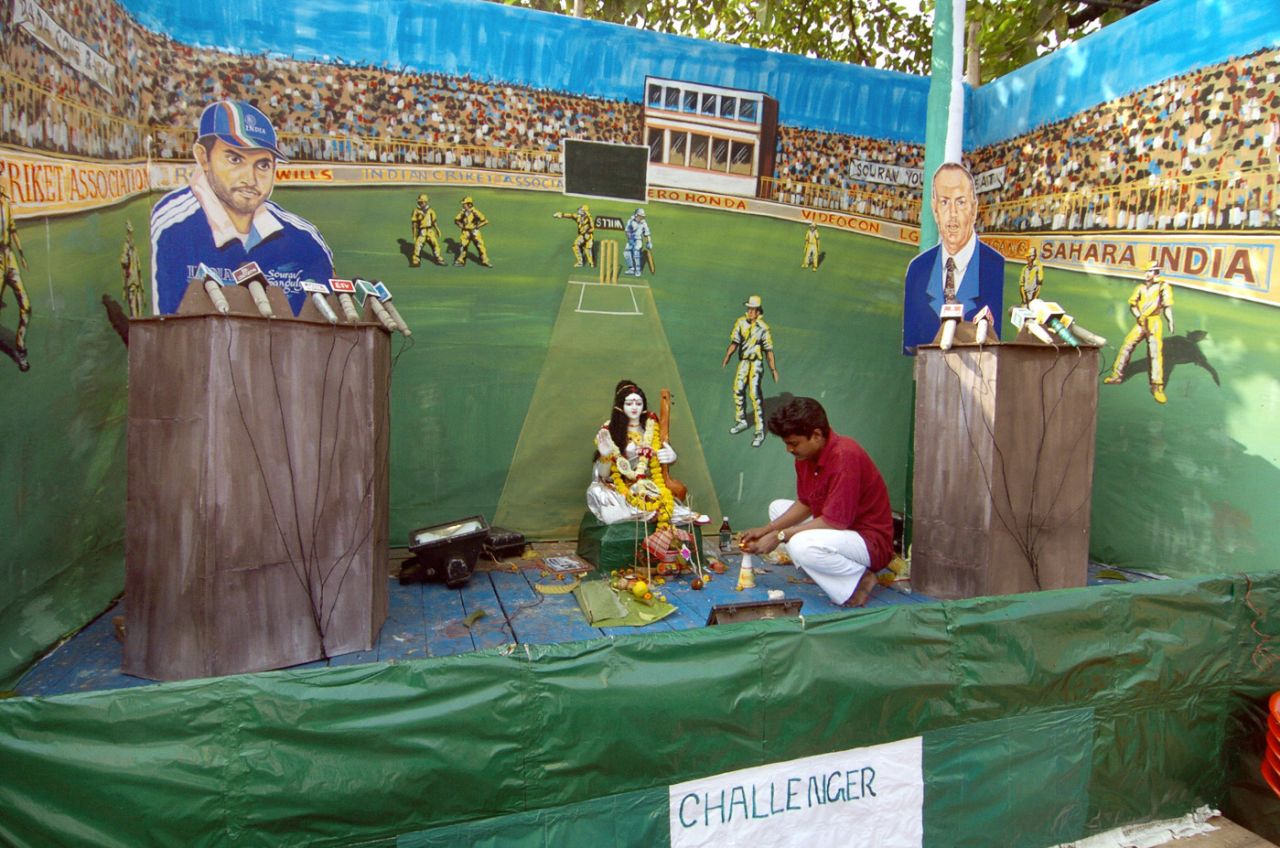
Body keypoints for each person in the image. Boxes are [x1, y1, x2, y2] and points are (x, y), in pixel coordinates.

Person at [149, 100, 334, 316]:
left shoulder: (305, 239)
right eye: (235, 159)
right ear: (203, 157)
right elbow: (168, 334)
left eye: (263, 165)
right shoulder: (172, 228)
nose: (250, 179)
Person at [740, 397, 893, 608]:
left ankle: (860, 579)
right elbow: (806, 503)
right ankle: (826, 568)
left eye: (793, 443)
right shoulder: (805, 457)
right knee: (777, 509)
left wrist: (779, 535)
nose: (789, 450)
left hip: (869, 541)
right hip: (842, 529)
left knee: (801, 544)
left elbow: (833, 522)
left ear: (817, 435)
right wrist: (766, 530)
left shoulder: (845, 456)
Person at [902, 163, 1004, 353]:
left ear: (974, 209)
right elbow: (913, 348)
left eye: (961, 202)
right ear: (935, 210)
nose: (952, 213)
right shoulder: (917, 269)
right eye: (944, 202)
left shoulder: (996, 267)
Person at [587, 380, 706, 527]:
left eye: (638, 403)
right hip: (618, 487)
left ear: (644, 405)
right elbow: (604, 476)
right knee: (602, 498)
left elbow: (660, 459)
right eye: (629, 403)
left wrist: (671, 457)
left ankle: (666, 513)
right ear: (620, 406)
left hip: (645, 484)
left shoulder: (651, 429)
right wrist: (605, 456)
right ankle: (662, 515)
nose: (634, 407)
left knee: (659, 497)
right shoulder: (610, 431)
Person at [1103, 261, 1176, 404]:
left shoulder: (1163, 286)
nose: (1147, 274)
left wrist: (1170, 321)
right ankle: (1116, 375)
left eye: (1150, 271)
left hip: (1154, 322)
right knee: (1127, 345)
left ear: (1156, 272)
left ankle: (1157, 387)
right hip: (1140, 322)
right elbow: (1133, 305)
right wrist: (1138, 316)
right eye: (1146, 271)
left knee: (1155, 354)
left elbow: (1167, 306)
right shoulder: (1140, 287)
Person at [722, 295, 779, 448]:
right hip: (744, 361)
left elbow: (768, 350)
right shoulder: (741, 323)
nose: (749, 311)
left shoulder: (763, 328)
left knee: (754, 394)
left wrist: (773, 368)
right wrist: (728, 355)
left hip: (756, 362)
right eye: (748, 308)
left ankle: (759, 431)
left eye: (752, 309)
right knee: (738, 388)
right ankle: (741, 420)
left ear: (758, 311)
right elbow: (735, 342)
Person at [0, 179, 31, 371]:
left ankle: (20, 344)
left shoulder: (5, 201)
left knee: (26, 307)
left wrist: (21, 255)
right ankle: (17, 353)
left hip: (9, 256)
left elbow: (12, 229)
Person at [453, 196, 491, 267]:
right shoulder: (463, 212)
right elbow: (456, 220)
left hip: (474, 231)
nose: (463, 205)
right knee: (463, 246)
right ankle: (460, 261)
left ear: (469, 204)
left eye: (464, 204)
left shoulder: (475, 212)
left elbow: (485, 221)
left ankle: (485, 261)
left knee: (480, 246)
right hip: (465, 232)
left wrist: (477, 226)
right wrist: (461, 225)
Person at [410, 193, 442, 267]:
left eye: (422, 202)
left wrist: (437, 230)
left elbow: (434, 222)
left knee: (435, 244)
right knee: (418, 245)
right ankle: (416, 260)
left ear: (426, 202)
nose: (421, 203)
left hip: (430, 230)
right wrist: (414, 234)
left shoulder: (431, 211)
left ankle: (438, 258)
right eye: (420, 202)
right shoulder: (416, 211)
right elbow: (414, 224)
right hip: (422, 231)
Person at [120, 221, 144, 317]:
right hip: (131, 284)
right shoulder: (126, 248)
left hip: (137, 283)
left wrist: (142, 287)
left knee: (140, 308)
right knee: (133, 308)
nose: (130, 236)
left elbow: (138, 268)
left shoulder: (134, 248)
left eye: (131, 233)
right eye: (129, 233)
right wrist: (127, 253)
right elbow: (124, 261)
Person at [623, 208, 652, 277]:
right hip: (631, 239)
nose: (642, 218)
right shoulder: (630, 221)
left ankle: (638, 270)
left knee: (636, 252)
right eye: (640, 216)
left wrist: (649, 242)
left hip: (638, 240)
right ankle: (631, 269)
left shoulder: (644, 223)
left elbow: (647, 234)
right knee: (626, 253)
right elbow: (627, 231)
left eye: (642, 216)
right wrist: (630, 239)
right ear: (636, 215)